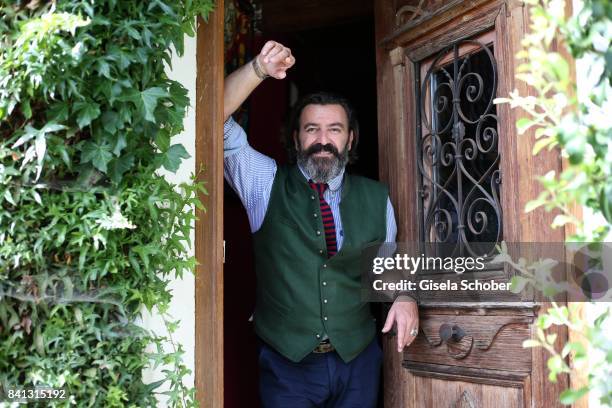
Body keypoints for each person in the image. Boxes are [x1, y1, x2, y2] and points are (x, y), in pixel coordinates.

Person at [223, 40, 419, 408]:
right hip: (287, 364)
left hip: (357, 360)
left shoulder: (376, 198)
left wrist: (406, 296)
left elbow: (389, 268)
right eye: (312, 129)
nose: (323, 140)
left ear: (350, 138)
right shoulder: (263, 183)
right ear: (296, 138)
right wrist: (259, 69)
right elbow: (210, 121)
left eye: (334, 130)